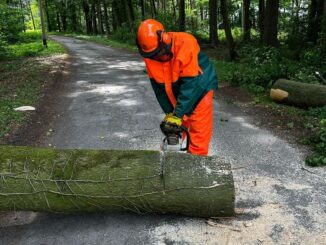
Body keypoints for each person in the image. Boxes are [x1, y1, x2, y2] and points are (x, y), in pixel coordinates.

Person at [136, 19, 218, 156]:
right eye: (153, 55)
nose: (156, 57)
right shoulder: (150, 54)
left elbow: (191, 84)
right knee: (176, 123)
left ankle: (196, 166)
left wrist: (178, 114)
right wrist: (170, 114)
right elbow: (159, 89)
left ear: (165, 39)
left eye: (158, 53)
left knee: (198, 132)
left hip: (201, 86)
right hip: (179, 87)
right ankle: (175, 159)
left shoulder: (186, 42)